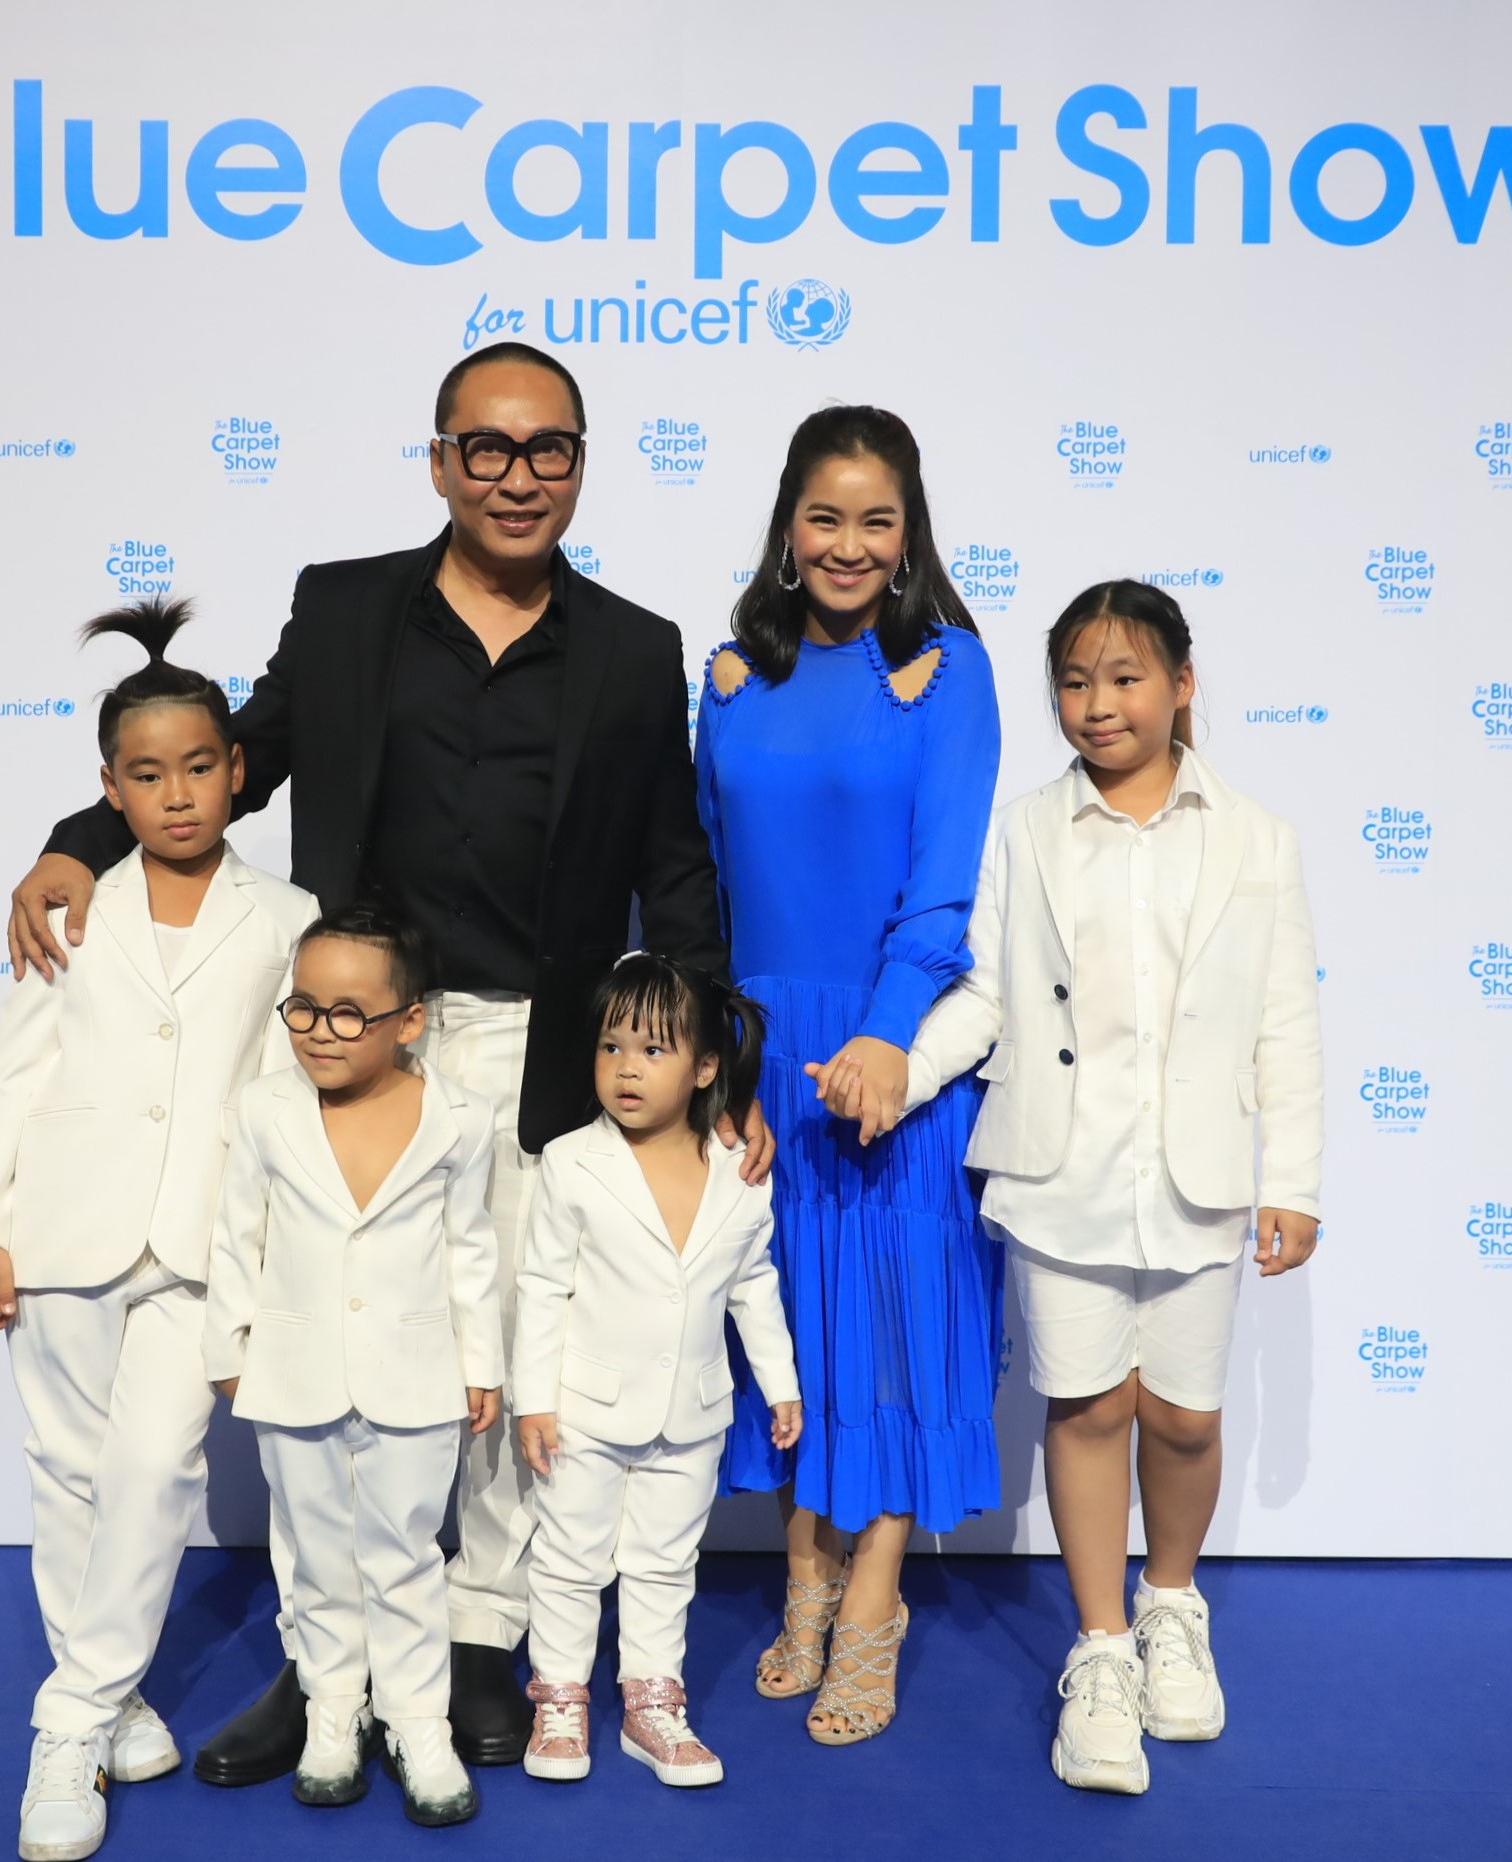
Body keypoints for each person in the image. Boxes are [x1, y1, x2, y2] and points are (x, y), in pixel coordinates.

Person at [5, 343, 761, 1779]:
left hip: (542, 1046)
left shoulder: (632, 645)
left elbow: (673, 864)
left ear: (581, 463)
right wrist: (75, 841)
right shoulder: (345, 608)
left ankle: (475, 1637)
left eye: (547, 448)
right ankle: (325, 1660)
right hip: (355, 1043)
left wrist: (709, 1062)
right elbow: (232, 760)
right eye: (487, 447)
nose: (517, 475)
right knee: (331, 1351)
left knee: (497, 1351)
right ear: (438, 461)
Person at [899, 579, 1324, 1795]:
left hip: (1198, 1173)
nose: (1098, 704)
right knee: (1086, 1405)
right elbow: (985, 991)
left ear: (1182, 684)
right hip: (1061, 1168)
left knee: (1184, 1414)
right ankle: (1099, 1650)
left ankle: (1171, 1609)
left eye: (1126, 677)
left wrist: (1292, 1178)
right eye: (1075, 682)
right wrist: (904, 1070)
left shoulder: (1257, 837)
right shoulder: (1027, 829)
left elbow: (1286, 1020)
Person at [0, 599, 320, 1862]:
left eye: (199, 767)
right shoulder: (71, 903)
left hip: (199, 1241)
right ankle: (113, 1698)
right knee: (66, 1468)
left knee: (156, 1467)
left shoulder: (287, 916)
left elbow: (280, 1095)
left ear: (238, 769)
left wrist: (268, 1251)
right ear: (108, 787)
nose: (177, 794)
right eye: (147, 775)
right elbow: (14, 1068)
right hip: (61, 1224)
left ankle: (65, 1723)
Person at [701, 406, 1003, 1746]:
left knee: (882, 1323)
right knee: (785, 1325)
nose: (848, 543)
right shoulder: (727, 677)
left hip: (888, 1048)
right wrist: (709, 1050)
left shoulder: (948, 670)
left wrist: (885, 1039)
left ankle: (871, 1593)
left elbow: (943, 884)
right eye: (824, 516)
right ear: (786, 525)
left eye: (877, 520)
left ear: (909, 531)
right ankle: (803, 1569)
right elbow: (704, 881)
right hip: (758, 1050)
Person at [203, 906, 503, 1827]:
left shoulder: (461, 1117)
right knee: (316, 1553)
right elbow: (237, 1234)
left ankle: (417, 1721)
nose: (318, 1032)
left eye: (347, 1013)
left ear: (409, 1020)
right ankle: (333, 1708)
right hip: (291, 1367)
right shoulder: (265, 1107)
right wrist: (228, 1345)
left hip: (417, 1371)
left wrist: (481, 1361)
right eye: (302, 1007)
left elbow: (470, 1248)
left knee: (405, 1552)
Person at [510, 955, 802, 1789]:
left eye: (651, 1050)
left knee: (665, 1563)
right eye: (610, 1047)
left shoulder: (741, 1170)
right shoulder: (571, 1160)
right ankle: (559, 1699)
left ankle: (652, 1704)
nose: (625, 1068)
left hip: (693, 1412)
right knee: (568, 1558)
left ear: (705, 1068)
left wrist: (780, 1384)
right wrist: (535, 1399)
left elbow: (752, 1283)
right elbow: (542, 1286)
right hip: (583, 1411)